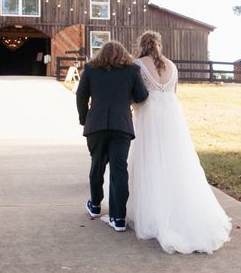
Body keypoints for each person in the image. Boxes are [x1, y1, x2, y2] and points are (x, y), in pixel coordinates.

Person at [128, 31, 232, 253]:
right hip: (171, 117)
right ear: (159, 44)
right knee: (175, 161)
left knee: (150, 160)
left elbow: (137, 95)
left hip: (149, 116)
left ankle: (154, 212)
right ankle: (178, 206)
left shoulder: (137, 64)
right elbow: (174, 93)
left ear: (142, 45)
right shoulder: (172, 66)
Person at [76, 41, 149, 232]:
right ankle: (119, 218)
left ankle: (95, 206)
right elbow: (142, 95)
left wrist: (84, 118)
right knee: (119, 170)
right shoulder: (132, 70)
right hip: (121, 126)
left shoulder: (91, 68)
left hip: (96, 125)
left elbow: (81, 94)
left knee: (97, 165)